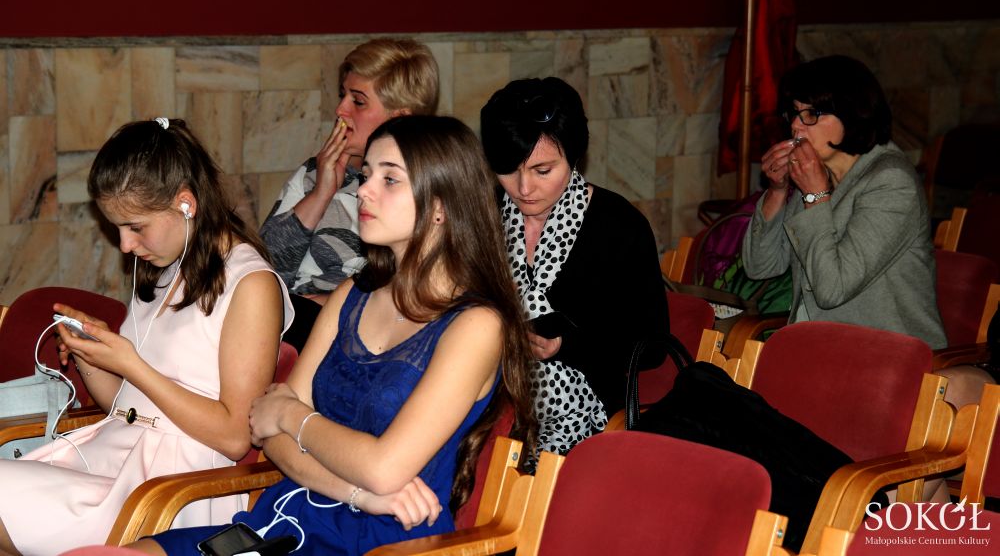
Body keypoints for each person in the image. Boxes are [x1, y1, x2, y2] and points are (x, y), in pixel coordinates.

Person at [131, 116, 536, 556]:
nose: (363, 190)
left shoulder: (476, 325)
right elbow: (267, 432)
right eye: (367, 175)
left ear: (440, 206)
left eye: (389, 179)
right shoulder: (351, 296)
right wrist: (356, 492)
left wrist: (292, 416)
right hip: (289, 519)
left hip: (390, 540)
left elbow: (384, 467)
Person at [0, 118, 294, 555]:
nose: (124, 245)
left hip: (174, 487)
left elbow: (235, 437)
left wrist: (133, 365)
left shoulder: (250, 284)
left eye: (135, 227)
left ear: (185, 204)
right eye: (116, 227)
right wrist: (92, 356)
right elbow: (127, 407)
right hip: (114, 460)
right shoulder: (164, 269)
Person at [479, 77, 670, 459]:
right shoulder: (484, 215)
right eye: (509, 169)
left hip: (589, 412)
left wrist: (566, 345)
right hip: (490, 397)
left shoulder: (617, 225)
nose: (524, 188)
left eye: (543, 170)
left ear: (574, 157)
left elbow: (652, 345)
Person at [744, 55, 946, 349]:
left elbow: (832, 290)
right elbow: (760, 267)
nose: (797, 126)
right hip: (820, 347)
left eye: (811, 114)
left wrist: (815, 196)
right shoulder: (818, 175)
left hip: (885, 354)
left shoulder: (891, 182)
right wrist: (777, 189)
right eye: (794, 113)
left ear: (852, 114)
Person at [259, 38, 439, 350]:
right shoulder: (315, 172)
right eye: (343, 94)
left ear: (400, 118)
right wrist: (321, 193)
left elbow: (423, 285)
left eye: (358, 101)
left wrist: (333, 302)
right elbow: (261, 272)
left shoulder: (427, 188)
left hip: (365, 334)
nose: (340, 109)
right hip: (288, 323)